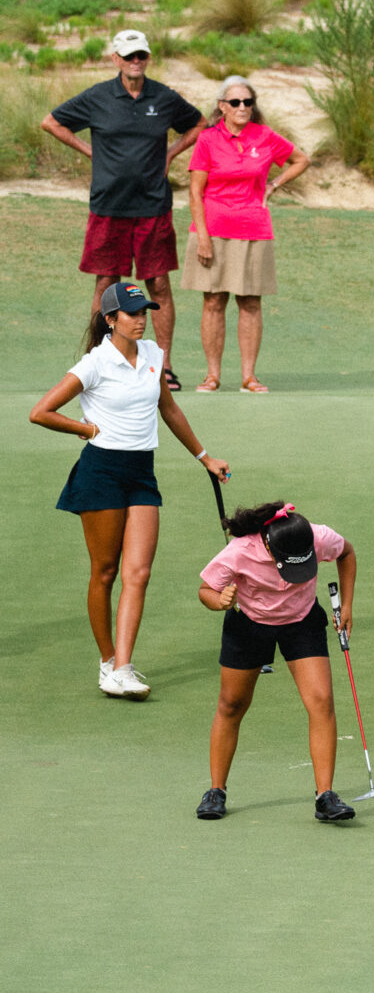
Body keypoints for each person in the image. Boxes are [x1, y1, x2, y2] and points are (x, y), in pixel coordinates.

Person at [28, 280, 231, 699]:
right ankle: (107, 661)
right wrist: (82, 427)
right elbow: (41, 412)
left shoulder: (154, 355)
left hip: (142, 473)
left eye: (145, 312)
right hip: (100, 471)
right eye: (133, 314)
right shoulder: (95, 363)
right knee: (105, 572)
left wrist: (204, 456)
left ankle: (123, 666)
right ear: (110, 320)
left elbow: (168, 408)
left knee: (138, 573)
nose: (141, 320)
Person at [41, 30, 206, 391]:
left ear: (147, 58)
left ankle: (164, 367)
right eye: (129, 56)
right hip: (109, 204)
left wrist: (170, 153)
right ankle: (99, 361)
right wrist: (90, 151)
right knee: (106, 283)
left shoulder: (163, 97)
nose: (136, 61)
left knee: (158, 283)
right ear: (116, 58)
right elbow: (51, 122)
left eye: (141, 55)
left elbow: (198, 124)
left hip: (152, 204)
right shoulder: (98, 96)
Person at [194, 501, 358, 824]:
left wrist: (348, 605)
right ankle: (216, 791)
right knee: (231, 704)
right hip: (249, 624)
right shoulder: (240, 551)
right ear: (269, 546)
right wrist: (219, 601)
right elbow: (205, 590)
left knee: (322, 702)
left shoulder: (317, 536)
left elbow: (346, 553)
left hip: (301, 622)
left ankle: (325, 796)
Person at [183, 76, 309, 394]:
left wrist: (274, 185)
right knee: (213, 301)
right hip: (212, 228)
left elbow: (301, 160)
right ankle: (212, 376)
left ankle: (249, 377)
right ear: (222, 106)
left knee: (251, 302)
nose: (242, 108)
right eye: (235, 102)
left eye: (248, 102)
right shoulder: (208, 139)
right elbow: (195, 192)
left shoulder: (265, 136)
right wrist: (203, 237)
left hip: (254, 229)